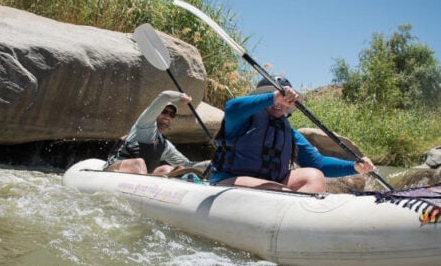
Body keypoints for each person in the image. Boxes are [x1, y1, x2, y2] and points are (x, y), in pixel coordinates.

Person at [210, 76, 376, 193]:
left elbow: (318, 164)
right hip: (230, 179)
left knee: (314, 176)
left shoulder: (289, 134)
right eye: (275, 97)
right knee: (274, 189)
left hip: (272, 184)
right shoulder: (242, 121)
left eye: (283, 99)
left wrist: (353, 167)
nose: (279, 103)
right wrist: (274, 97)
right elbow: (231, 107)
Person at [104, 90, 208, 175]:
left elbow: (187, 165)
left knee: (167, 169)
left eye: (172, 114)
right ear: (156, 113)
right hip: (115, 167)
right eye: (164, 111)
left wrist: (210, 164)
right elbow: (165, 96)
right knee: (138, 163)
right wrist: (181, 96)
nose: (167, 116)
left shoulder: (165, 145)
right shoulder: (144, 124)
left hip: (142, 176)